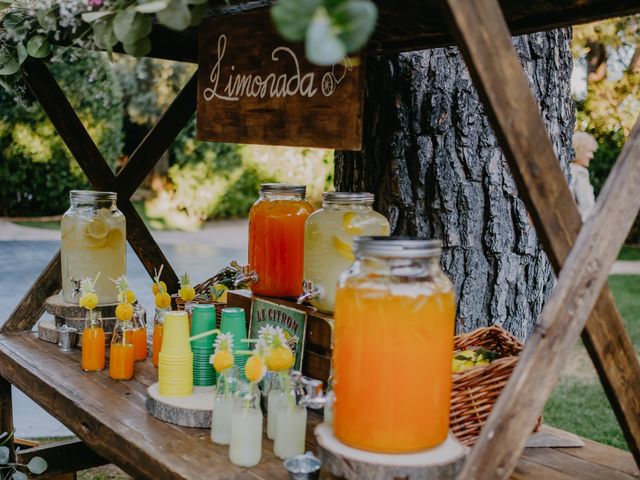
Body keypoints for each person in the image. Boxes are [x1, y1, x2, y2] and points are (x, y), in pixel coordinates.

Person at [570, 131, 598, 221]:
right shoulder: (580, 172)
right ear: (580, 150)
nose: (592, 156)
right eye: (589, 151)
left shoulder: (567, 168)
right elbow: (586, 207)